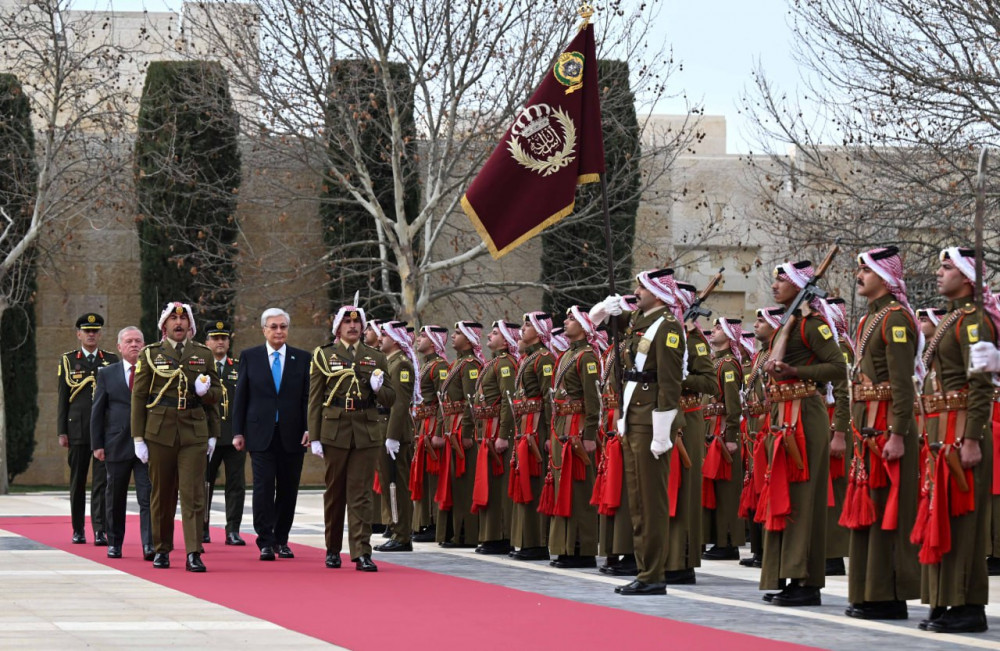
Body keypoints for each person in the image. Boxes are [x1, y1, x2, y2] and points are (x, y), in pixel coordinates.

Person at [911, 246, 997, 634]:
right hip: (942, 430)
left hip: (963, 429)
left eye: (946, 268)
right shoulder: (954, 319)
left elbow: (981, 383)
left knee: (963, 521)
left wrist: (974, 436)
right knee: (940, 515)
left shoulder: (975, 321)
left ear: (966, 277)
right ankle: (946, 599)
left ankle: (968, 604)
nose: (938, 274)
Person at [759, 260, 846, 606]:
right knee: (785, 496)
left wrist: (795, 369)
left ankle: (807, 582)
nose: (775, 285)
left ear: (798, 286)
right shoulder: (789, 324)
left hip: (805, 417)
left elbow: (839, 368)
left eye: (782, 280)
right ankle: (787, 574)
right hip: (784, 415)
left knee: (804, 500)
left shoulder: (813, 325)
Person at [594, 269, 685, 595]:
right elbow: (597, 322)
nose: (636, 292)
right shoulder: (641, 324)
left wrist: (662, 432)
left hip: (650, 424)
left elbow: (671, 383)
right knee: (637, 502)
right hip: (634, 419)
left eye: (641, 288)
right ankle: (646, 570)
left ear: (657, 294)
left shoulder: (668, 328)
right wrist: (608, 310)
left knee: (651, 502)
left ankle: (653, 574)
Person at [842, 246, 920, 620]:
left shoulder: (894, 319)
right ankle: (867, 591)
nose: (860, 276)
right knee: (868, 510)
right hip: (867, 423)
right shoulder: (869, 319)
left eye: (866, 271)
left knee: (888, 511)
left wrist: (898, 433)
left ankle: (888, 595)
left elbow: (903, 384)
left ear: (886, 277)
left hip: (887, 424)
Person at [132, 302, 222, 572]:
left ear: (190, 326)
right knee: (162, 494)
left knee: (193, 494)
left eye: (183, 319)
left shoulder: (203, 354)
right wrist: (137, 437)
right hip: (160, 432)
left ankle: (194, 551)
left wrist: (205, 393)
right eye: (173, 319)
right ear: (164, 326)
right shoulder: (150, 354)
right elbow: (138, 397)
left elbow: (217, 395)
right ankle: (162, 548)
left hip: (194, 431)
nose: (178, 323)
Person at [309, 304, 395, 571]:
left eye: (357, 323)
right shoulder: (324, 355)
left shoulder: (376, 357)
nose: (353, 326)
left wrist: (379, 389)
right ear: (338, 327)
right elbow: (314, 399)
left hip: (366, 430)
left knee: (361, 494)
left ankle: (361, 552)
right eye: (347, 322)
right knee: (335, 493)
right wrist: (314, 436)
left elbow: (391, 398)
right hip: (334, 430)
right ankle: (333, 548)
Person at [232, 308, 310, 561]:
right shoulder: (250, 357)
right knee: (263, 488)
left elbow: (307, 398)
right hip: (259, 433)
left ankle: (282, 539)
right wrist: (237, 432)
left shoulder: (302, 358)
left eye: (283, 327)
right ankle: (265, 540)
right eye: (274, 327)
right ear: (264, 330)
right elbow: (241, 397)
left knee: (288, 489)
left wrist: (310, 428)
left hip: (293, 433)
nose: (279, 331)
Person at [545, 306, 603, 571]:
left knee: (579, 489)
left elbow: (594, 400)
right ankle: (564, 547)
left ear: (582, 326)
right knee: (562, 486)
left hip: (578, 427)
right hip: (562, 425)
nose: (565, 323)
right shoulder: (568, 354)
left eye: (571, 319)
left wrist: (590, 434)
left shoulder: (587, 356)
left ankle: (582, 548)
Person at [90, 326, 152, 561]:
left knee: (148, 497)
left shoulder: (153, 372)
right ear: (119, 347)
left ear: (144, 345)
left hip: (147, 444)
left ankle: (150, 544)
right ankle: (114, 543)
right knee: (115, 497)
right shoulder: (107, 373)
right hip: (116, 444)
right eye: (129, 341)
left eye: (138, 340)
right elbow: (98, 411)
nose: (134, 345)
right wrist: (97, 444)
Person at [59, 312, 118, 545]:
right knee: (78, 481)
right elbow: (63, 398)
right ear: (79, 334)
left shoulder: (111, 360)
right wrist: (61, 431)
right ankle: (78, 529)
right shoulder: (68, 360)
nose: (91, 335)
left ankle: (100, 529)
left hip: (104, 430)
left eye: (95, 331)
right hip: (78, 429)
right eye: (87, 331)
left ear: (100, 334)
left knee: (102, 482)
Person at [740, 307, 785, 568]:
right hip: (754, 426)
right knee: (754, 486)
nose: (756, 325)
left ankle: (768, 550)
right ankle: (758, 549)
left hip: (768, 422)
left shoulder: (775, 354)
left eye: (761, 321)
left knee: (767, 484)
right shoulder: (759, 356)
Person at [509, 312, 556, 561]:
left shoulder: (544, 359)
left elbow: (549, 398)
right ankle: (525, 540)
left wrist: (548, 432)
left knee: (534, 482)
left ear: (538, 331)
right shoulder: (529, 357)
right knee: (523, 480)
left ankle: (537, 541)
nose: (522, 329)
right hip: (524, 426)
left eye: (527, 325)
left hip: (537, 428)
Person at [471, 320, 520, 554]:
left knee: (499, 487)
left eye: (495, 333)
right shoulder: (493, 363)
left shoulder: (505, 364)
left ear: (506, 339)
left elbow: (508, 401)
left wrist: (503, 435)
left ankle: (501, 535)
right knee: (489, 483)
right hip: (486, 429)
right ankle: (490, 535)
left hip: (497, 431)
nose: (489, 336)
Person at [435, 321, 483, 548]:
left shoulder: (470, 365)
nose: (453, 337)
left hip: (460, 429)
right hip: (451, 427)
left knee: (463, 483)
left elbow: (471, 403)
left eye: (458, 334)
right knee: (453, 482)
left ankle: (466, 534)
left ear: (469, 338)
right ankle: (453, 532)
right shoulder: (458, 364)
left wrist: (466, 431)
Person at [703, 317, 746, 561]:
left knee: (727, 490)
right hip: (710, 429)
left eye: (719, 328)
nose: (713, 330)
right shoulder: (715, 362)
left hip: (721, 431)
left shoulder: (728, 365)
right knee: (715, 489)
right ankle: (718, 539)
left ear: (730, 334)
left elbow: (732, 405)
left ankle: (728, 541)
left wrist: (730, 435)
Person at [374, 320, 418, 552]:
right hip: (384, 429)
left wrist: (392, 436)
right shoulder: (389, 363)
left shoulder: (401, 365)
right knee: (388, 482)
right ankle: (395, 528)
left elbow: (400, 404)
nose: (379, 339)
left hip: (395, 434)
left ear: (396, 339)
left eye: (384, 335)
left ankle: (402, 535)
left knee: (396, 484)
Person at [202, 320, 246, 546]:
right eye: (215, 338)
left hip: (234, 434)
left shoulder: (238, 367)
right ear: (206, 342)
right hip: (208, 434)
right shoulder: (201, 367)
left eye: (224, 338)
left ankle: (233, 530)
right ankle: (202, 528)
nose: (220, 342)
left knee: (236, 483)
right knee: (203, 482)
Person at [822, 297, 853, 577]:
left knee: (835, 492)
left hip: (835, 424)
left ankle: (833, 554)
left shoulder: (840, 348)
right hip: (824, 422)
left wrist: (839, 431)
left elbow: (843, 392)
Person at [410, 325, 449, 543]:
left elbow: (444, 402)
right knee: (422, 477)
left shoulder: (440, 367)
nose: (418, 339)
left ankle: (435, 523)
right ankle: (423, 521)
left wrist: (440, 431)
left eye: (423, 336)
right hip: (422, 425)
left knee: (433, 478)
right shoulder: (426, 365)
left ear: (433, 341)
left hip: (433, 425)